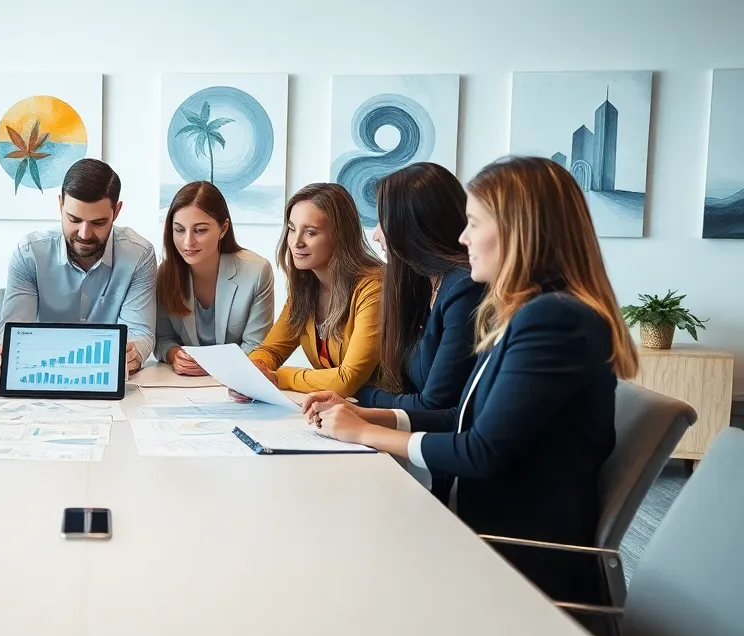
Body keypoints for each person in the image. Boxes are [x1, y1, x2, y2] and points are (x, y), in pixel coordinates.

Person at [305, 156, 638, 603]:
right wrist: (370, 415)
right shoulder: (533, 311)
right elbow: (466, 421)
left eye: (474, 223)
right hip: (481, 530)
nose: (462, 238)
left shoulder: (554, 319)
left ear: (522, 230)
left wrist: (365, 431)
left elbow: (481, 452)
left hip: (512, 561)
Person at [0, 158, 156, 375]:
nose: (84, 234)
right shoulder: (30, 253)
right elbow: (13, 332)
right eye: (74, 219)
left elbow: (139, 332)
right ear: (61, 205)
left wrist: (132, 355)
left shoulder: (139, 255)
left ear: (116, 212)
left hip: (108, 377)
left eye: (98, 223)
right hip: (44, 374)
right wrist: (8, 352)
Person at [357, 163, 484, 413]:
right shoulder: (424, 284)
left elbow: (434, 404)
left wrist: (361, 395)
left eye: (383, 221)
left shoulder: (464, 287)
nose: (376, 235)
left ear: (411, 227)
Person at [241, 182, 382, 396]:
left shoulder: (373, 288)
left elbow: (348, 379)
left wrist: (278, 377)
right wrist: (252, 373)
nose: (296, 242)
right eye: (291, 229)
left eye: (310, 232)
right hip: (337, 411)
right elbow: (271, 350)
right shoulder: (305, 288)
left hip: (383, 412)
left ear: (340, 236)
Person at [155, 181, 274, 376]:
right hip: (182, 385)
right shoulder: (165, 272)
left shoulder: (258, 271)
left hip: (236, 382)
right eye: (179, 230)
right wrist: (173, 354)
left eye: (200, 230)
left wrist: (213, 365)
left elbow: (256, 345)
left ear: (223, 228)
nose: (188, 242)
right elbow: (163, 338)